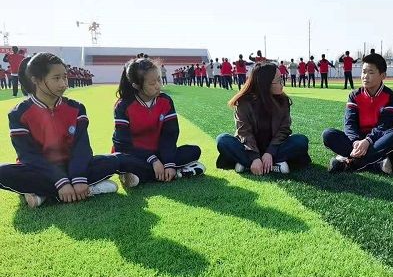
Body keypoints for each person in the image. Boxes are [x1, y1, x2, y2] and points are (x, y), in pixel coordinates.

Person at [0, 53, 119, 208]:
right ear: (36, 80)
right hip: (40, 169)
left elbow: (81, 148)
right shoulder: (18, 114)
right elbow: (29, 156)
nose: (64, 84)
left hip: (71, 165)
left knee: (115, 160)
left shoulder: (76, 107)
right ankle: (89, 189)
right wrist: (60, 181)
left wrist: (78, 177)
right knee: (3, 171)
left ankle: (42, 194)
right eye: (56, 78)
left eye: (65, 77)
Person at [112, 58, 205, 188]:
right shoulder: (123, 106)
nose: (158, 85)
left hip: (159, 152)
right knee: (118, 161)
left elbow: (170, 135)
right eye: (152, 83)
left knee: (194, 151)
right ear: (136, 85)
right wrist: (153, 160)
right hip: (134, 154)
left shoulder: (165, 101)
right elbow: (122, 144)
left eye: (159, 80)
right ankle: (179, 172)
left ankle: (142, 175)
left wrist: (169, 163)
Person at [216, 62, 311, 175]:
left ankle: (246, 164)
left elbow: (284, 129)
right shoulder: (243, 102)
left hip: (275, 147)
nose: (282, 84)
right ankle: (267, 164)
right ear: (266, 84)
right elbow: (244, 132)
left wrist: (270, 152)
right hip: (248, 148)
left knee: (301, 141)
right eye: (279, 80)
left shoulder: (283, 100)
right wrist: (255, 157)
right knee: (223, 140)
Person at [322, 53, 393, 174]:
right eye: (363, 72)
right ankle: (376, 164)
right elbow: (349, 124)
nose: (365, 76)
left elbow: (384, 126)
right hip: (356, 141)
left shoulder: (390, 96)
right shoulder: (354, 95)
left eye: (370, 72)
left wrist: (368, 141)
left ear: (383, 75)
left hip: (378, 140)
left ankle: (350, 163)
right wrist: (356, 142)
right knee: (328, 134)